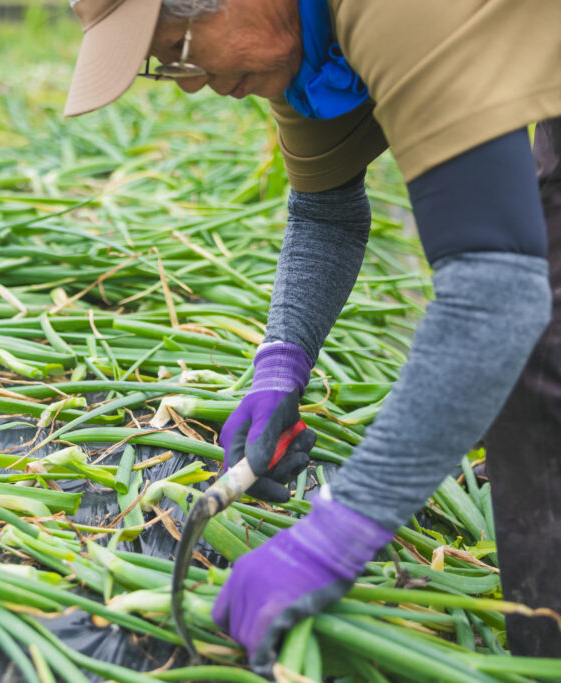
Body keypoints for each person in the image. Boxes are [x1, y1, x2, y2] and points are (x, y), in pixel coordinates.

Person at [63, 0, 561, 674]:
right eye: (162, 66)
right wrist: (281, 362)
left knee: (536, 359)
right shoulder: (299, 30)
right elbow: (324, 210)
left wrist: (339, 531)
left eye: (177, 46)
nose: (184, 80)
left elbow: (493, 294)